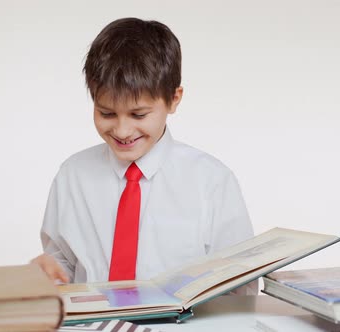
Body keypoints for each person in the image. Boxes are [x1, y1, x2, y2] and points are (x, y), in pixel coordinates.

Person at [32, 17, 255, 293]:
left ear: (174, 99)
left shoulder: (212, 181)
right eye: (107, 113)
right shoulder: (73, 175)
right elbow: (62, 261)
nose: (123, 130)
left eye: (139, 114)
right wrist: (48, 273)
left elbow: (239, 288)